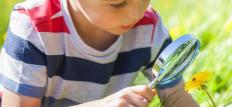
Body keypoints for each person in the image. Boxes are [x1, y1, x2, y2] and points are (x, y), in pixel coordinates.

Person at [0, 0, 199, 106]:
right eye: (117, 3)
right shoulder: (35, 28)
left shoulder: (148, 26)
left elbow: (175, 95)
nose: (136, 14)